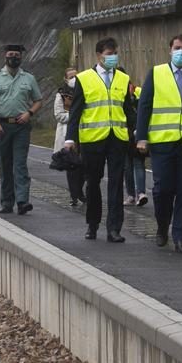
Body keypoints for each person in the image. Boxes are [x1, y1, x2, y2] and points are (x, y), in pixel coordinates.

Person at [136, 34, 182, 254]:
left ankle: (180, 236)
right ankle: (162, 226)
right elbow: (145, 106)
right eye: (177, 48)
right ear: (170, 49)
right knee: (162, 189)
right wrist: (142, 137)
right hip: (162, 143)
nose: (181, 52)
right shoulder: (157, 72)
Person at [65, 38, 130, 243]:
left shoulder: (123, 78)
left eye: (114, 53)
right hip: (93, 139)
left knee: (117, 183)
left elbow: (127, 109)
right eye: (108, 54)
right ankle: (92, 224)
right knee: (93, 182)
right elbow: (75, 112)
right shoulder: (84, 79)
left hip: (117, 138)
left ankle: (114, 228)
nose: (112, 57)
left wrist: (138, 133)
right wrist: (70, 139)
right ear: (98, 55)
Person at [0, 43, 43, 215]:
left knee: (20, 164)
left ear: (21, 57)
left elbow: (38, 100)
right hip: (1, 126)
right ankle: (7, 202)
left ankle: (23, 201)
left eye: (17, 54)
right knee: (5, 165)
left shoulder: (28, 78)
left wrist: (30, 113)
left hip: (21, 127)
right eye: (10, 54)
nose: (13, 57)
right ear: (5, 56)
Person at [54, 68, 85, 207]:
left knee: (85, 166)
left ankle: (79, 190)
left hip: (84, 133)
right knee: (72, 165)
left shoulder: (85, 91)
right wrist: (74, 115)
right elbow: (59, 115)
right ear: (66, 79)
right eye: (71, 76)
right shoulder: (61, 95)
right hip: (68, 133)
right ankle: (74, 195)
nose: (74, 79)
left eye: (76, 76)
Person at [124, 75, 148, 206]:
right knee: (128, 167)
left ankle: (140, 193)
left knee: (138, 164)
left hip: (136, 136)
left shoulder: (138, 97)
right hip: (125, 136)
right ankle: (132, 194)